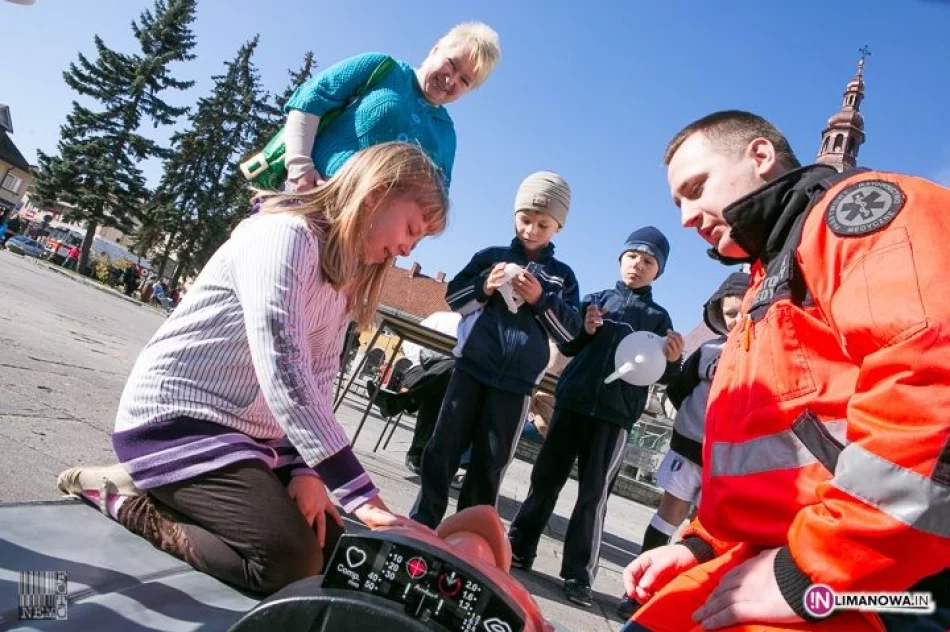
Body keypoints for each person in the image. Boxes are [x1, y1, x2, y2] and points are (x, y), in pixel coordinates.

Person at [56, 142, 449, 595]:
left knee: (332, 553)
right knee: (287, 563)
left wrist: (306, 472)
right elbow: (284, 365)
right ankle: (123, 498)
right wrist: (358, 494)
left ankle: (173, 489)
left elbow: (319, 378)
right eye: (411, 229)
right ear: (376, 192)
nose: (405, 247)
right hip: (178, 421)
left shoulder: (342, 275)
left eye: (416, 243)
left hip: (249, 439)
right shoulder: (284, 235)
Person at [621, 110, 950, 632]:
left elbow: (932, 399)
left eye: (696, 187)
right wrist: (701, 544)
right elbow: (772, 458)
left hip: (889, 583)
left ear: (760, 156)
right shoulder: (767, 283)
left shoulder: (863, 217)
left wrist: (813, 575)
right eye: (677, 201)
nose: (685, 215)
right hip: (784, 554)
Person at [508, 227, 685, 607]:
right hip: (571, 404)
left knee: (593, 495)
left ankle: (577, 574)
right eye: (633, 256)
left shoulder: (658, 318)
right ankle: (519, 548)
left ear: (659, 271)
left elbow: (662, 375)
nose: (638, 265)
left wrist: (672, 361)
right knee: (545, 480)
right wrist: (586, 330)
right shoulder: (594, 300)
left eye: (649, 261)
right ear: (621, 259)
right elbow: (568, 342)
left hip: (614, 417)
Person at [410, 171, 582, 528]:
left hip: (517, 384)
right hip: (471, 369)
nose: (532, 230)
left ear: (558, 228)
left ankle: (468, 533)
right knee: (443, 447)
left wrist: (540, 299)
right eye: (526, 219)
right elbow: (454, 298)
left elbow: (569, 333)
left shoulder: (563, 277)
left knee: (490, 461)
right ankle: (423, 520)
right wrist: (484, 286)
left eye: (543, 224)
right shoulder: (490, 256)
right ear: (514, 216)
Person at [616, 270, 748, 620]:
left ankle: (681, 598)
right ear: (720, 315)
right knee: (669, 513)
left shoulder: (762, 356)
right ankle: (640, 590)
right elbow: (678, 388)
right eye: (730, 314)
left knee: (705, 533)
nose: (737, 320)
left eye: (744, 312)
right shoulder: (708, 351)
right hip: (688, 448)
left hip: (726, 462)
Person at [278, 22, 500, 195]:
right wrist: (299, 167)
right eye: (451, 64)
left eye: (464, 81)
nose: (451, 80)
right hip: (307, 199)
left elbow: (434, 197)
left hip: (361, 243)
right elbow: (310, 98)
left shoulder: (446, 134)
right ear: (435, 49)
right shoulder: (382, 69)